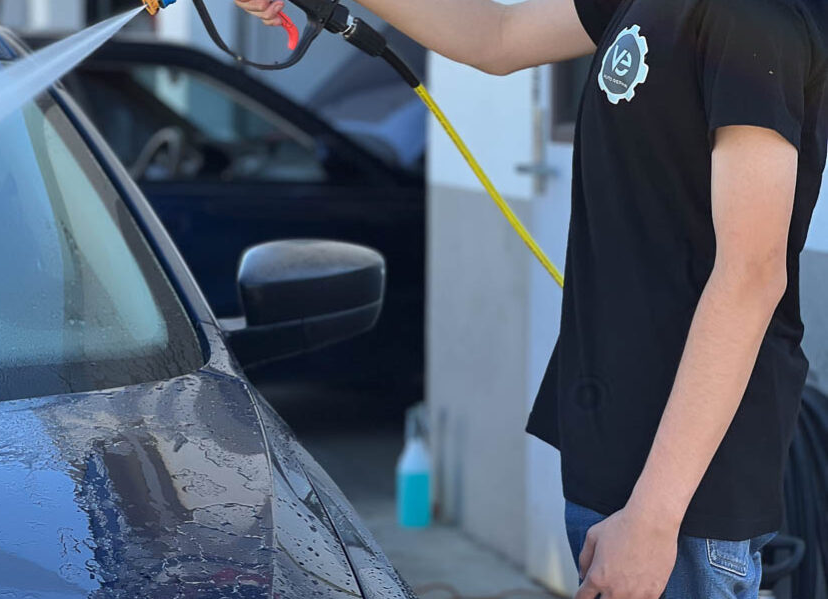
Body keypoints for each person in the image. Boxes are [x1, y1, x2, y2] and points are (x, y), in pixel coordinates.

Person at [237, 0, 827, 597]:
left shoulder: (752, 18)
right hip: (622, 459)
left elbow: (751, 276)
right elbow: (499, 35)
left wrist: (652, 519)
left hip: (683, 497)